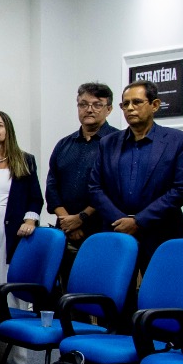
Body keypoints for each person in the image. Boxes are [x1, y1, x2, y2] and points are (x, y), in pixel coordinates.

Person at [89, 80, 183, 271]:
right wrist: (120, 221)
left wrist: (139, 221)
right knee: (113, 297)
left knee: (161, 297)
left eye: (136, 102)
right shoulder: (107, 143)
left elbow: (180, 188)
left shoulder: (177, 141)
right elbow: (95, 187)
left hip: (161, 234)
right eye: (125, 104)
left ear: (154, 105)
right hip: (116, 232)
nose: (130, 108)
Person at [44, 83, 118, 250]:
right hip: (64, 230)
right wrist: (67, 221)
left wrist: (81, 218)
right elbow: (52, 186)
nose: (89, 109)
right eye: (83, 104)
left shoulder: (118, 142)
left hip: (102, 229)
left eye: (97, 104)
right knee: (65, 276)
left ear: (109, 109)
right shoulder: (64, 144)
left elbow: (112, 188)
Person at [0, 110, 44, 292]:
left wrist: (30, 220)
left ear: (8, 129)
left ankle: (13, 318)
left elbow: (35, 198)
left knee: (11, 282)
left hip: (12, 232)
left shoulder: (24, 160)